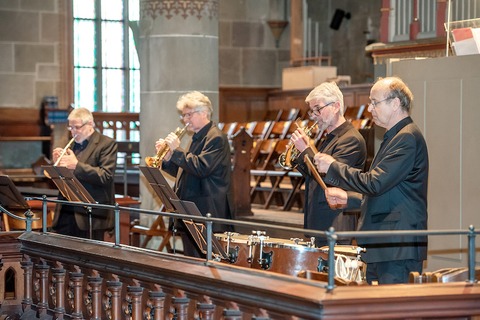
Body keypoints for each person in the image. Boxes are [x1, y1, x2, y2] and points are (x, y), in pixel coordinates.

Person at [314, 76, 429, 284]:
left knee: (392, 311)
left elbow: (374, 183)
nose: (369, 108)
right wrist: (348, 199)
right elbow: (386, 193)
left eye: (374, 102)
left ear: (395, 103)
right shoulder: (394, 136)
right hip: (385, 245)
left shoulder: (406, 138)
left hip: (396, 246)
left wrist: (333, 166)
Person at [156, 91, 233, 257]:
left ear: (203, 112)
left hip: (206, 209)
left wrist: (176, 150)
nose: (185, 120)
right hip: (192, 209)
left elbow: (202, 168)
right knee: (190, 260)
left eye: (188, 115)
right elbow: (185, 171)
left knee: (203, 262)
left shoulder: (216, 137)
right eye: (184, 115)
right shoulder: (197, 137)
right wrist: (168, 159)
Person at [290, 81, 367, 247]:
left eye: (318, 108)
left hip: (335, 221)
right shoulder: (329, 138)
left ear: (336, 106)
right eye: (312, 110)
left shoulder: (351, 139)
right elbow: (313, 176)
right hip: (320, 219)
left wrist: (307, 149)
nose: (314, 115)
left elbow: (331, 178)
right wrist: (298, 155)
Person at [51, 107, 118, 240]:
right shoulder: (70, 145)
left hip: (91, 214)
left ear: (90, 124)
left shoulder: (107, 144)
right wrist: (57, 166)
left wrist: (76, 165)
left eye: (77, 127)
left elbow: (105, 176)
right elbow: (63, 179)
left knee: (88, 257)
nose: (73, 132)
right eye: (71, 128)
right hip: (66, 211)